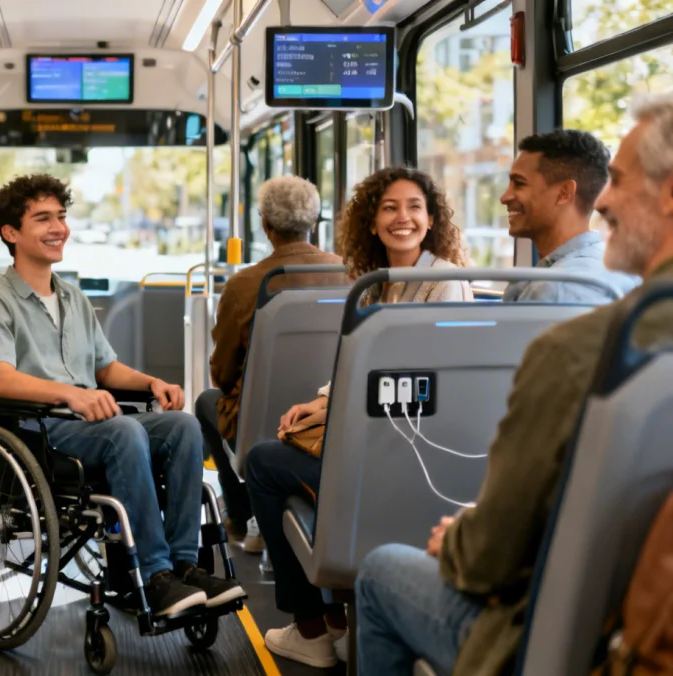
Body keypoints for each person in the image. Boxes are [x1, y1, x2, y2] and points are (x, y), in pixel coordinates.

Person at [355, 94, 673, 676]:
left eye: (619, 183)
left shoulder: (573, 339)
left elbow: (491, 558)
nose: (604, 201)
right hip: (624, 596)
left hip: (567, 628)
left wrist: (457, 539)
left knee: (379, 568)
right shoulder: (612, 308)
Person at [0, 173, 246, 617]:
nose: (59, 227)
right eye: (43, 219)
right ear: (11, 233)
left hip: (92, 425)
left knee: (185, 426)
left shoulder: (72, 297)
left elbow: (105, 368)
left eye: (60, 216)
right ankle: (155, 576)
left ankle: (185, 567)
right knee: (123, 433)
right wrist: (72, 396)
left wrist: (151, 383)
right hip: (39, 430)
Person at [248, 166, 473, 668]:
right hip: (380, 437)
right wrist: (321, 403)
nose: (403, 218)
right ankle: (335, 617)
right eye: (389, 208)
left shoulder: (442, 285)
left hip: (406, 452)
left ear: (432, 219)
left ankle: (312, 628)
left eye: (414, 207)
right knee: (281, 449)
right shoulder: (375, 287)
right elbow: (360, 368)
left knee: (263, 464)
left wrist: (344, 412)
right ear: (372, 222)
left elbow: (427, 384)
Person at [200, 175, 347, 554]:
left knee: (206, 401)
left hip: (262, 424)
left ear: (265, 224)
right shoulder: (353, 276)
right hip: (330, 417)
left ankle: (238, 511)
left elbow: (224, 372)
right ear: (314, 221)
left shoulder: (244, 285)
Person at [499, 129, 639, 303]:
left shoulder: (559, 289)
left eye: (519, 184)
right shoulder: (616, 266)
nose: (504, 197)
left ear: (564, 193)